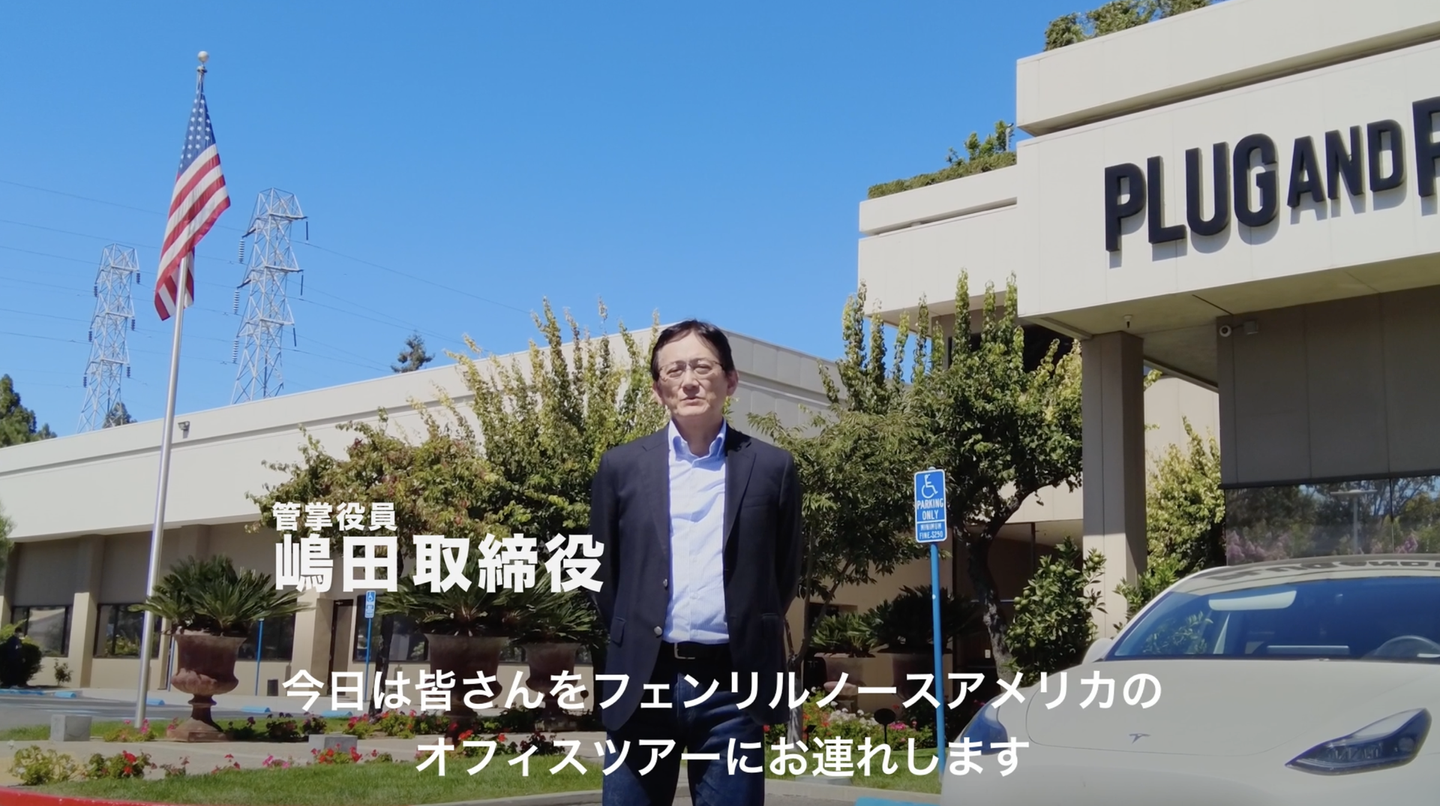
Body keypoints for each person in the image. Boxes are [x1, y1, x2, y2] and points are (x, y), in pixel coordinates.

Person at [587, 319, 803, 806]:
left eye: (702, 367)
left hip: (733, 685)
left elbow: (782, 572)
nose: (689, 381)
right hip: (642, 680)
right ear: (657, 389)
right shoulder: (621, 467)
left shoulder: (772, 467)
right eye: (674, 370)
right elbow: (602, 573)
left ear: (730, 380)